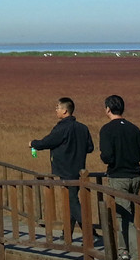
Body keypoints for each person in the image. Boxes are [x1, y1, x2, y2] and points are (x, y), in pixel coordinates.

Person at [30, 97, 94, 240]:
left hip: (65, 171)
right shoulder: (83, 128)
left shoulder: (62, 127)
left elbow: (47, 142)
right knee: (71, 201)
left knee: (72, 202)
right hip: (79, 171)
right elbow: (90, 148)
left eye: (57, 107)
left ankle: (89, 233)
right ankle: (67, 234)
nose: (56, 110)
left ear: (65, 111)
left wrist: (33, 143)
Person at [99, 94, 140, 260]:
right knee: (129, 214)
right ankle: (124, 249)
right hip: (135, 176)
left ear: (108, 109)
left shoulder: (107, 130)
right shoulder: (133, 128)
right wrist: (130, 157)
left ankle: (139, 257)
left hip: (118, 176)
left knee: (122, 216)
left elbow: (107, 156)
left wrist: (112, 159)